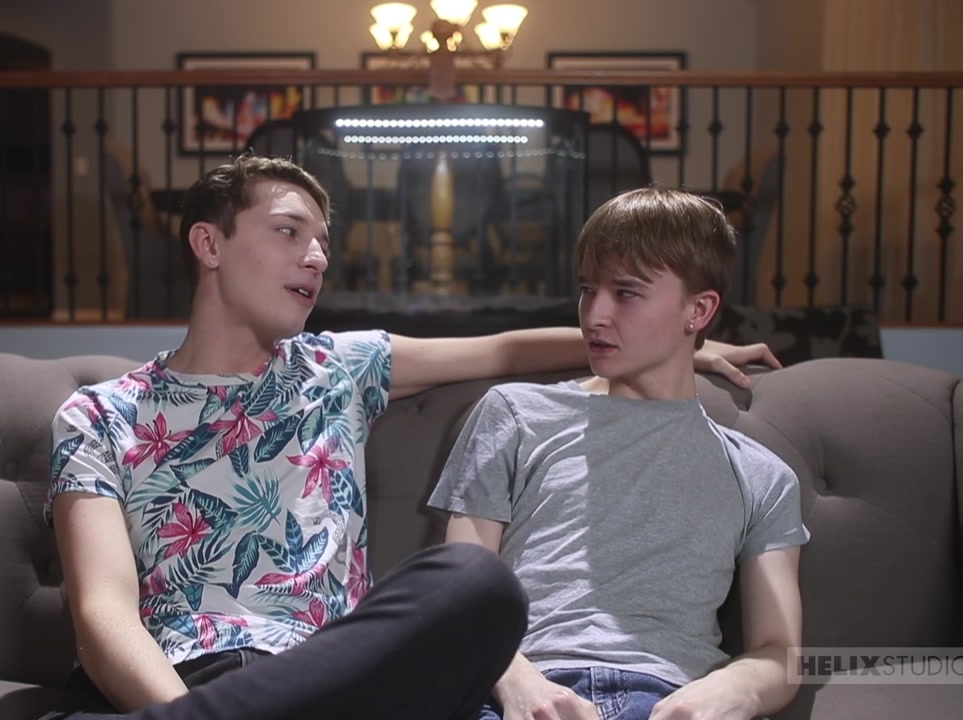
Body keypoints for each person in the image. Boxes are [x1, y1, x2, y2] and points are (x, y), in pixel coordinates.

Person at [42, 156, 780, 720]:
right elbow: (103, 616)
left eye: (323, 242)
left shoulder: (340, 366)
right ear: (209, 243)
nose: (317, 258)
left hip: (335, 683)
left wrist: (686, 345)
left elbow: (502, 350)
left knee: (472, 585)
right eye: (289, 232)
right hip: (178, 680)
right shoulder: (100, 415)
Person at [429, 187, 809, 720]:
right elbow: (457, 595)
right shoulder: (515, 415)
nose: (594, 315)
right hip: (516, 689)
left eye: (626, 292)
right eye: (588, 289)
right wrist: (519, 685)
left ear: (698, 310)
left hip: (669, 699)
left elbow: (779, 651)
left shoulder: (760, 475)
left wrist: (727, 692)